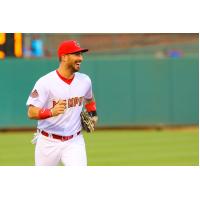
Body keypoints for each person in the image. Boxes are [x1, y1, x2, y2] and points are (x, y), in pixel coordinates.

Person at [26, 40, 98, 166]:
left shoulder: (85, 80)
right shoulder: (45, 82)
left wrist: (93, 114)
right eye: (76, 54)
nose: (80, 58)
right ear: (64, 57)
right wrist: (51, 112)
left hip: (74, 141)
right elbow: (31, 112)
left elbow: (90, 98)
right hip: (48, 142)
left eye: (81, 55)